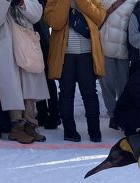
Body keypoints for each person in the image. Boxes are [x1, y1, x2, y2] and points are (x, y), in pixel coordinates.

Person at [0, 0, 50, 144]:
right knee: (14, 86)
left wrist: (22, 2)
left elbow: (37, 14)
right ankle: (17, 126)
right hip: (6, 45)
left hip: (26, 41)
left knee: (30, 82)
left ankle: (31, 123)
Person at [45, 0, 107, 142]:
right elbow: (54, 22)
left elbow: (100, 17)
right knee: (66, 94)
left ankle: (94, 131)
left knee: (90, 93)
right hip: (64, 55)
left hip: (87, 53)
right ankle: (69, 131)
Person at [99, 0, 138, 130]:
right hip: (105, 45)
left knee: (124, 85)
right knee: (107, 83)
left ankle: (121, 114)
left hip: (123, 48)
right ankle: (112, 115)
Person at [34, 0, 61, 130]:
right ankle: (45, 114)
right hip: (38, 36)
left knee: (46, 79)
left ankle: (53, 114)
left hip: (40, 37)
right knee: (39, 78)